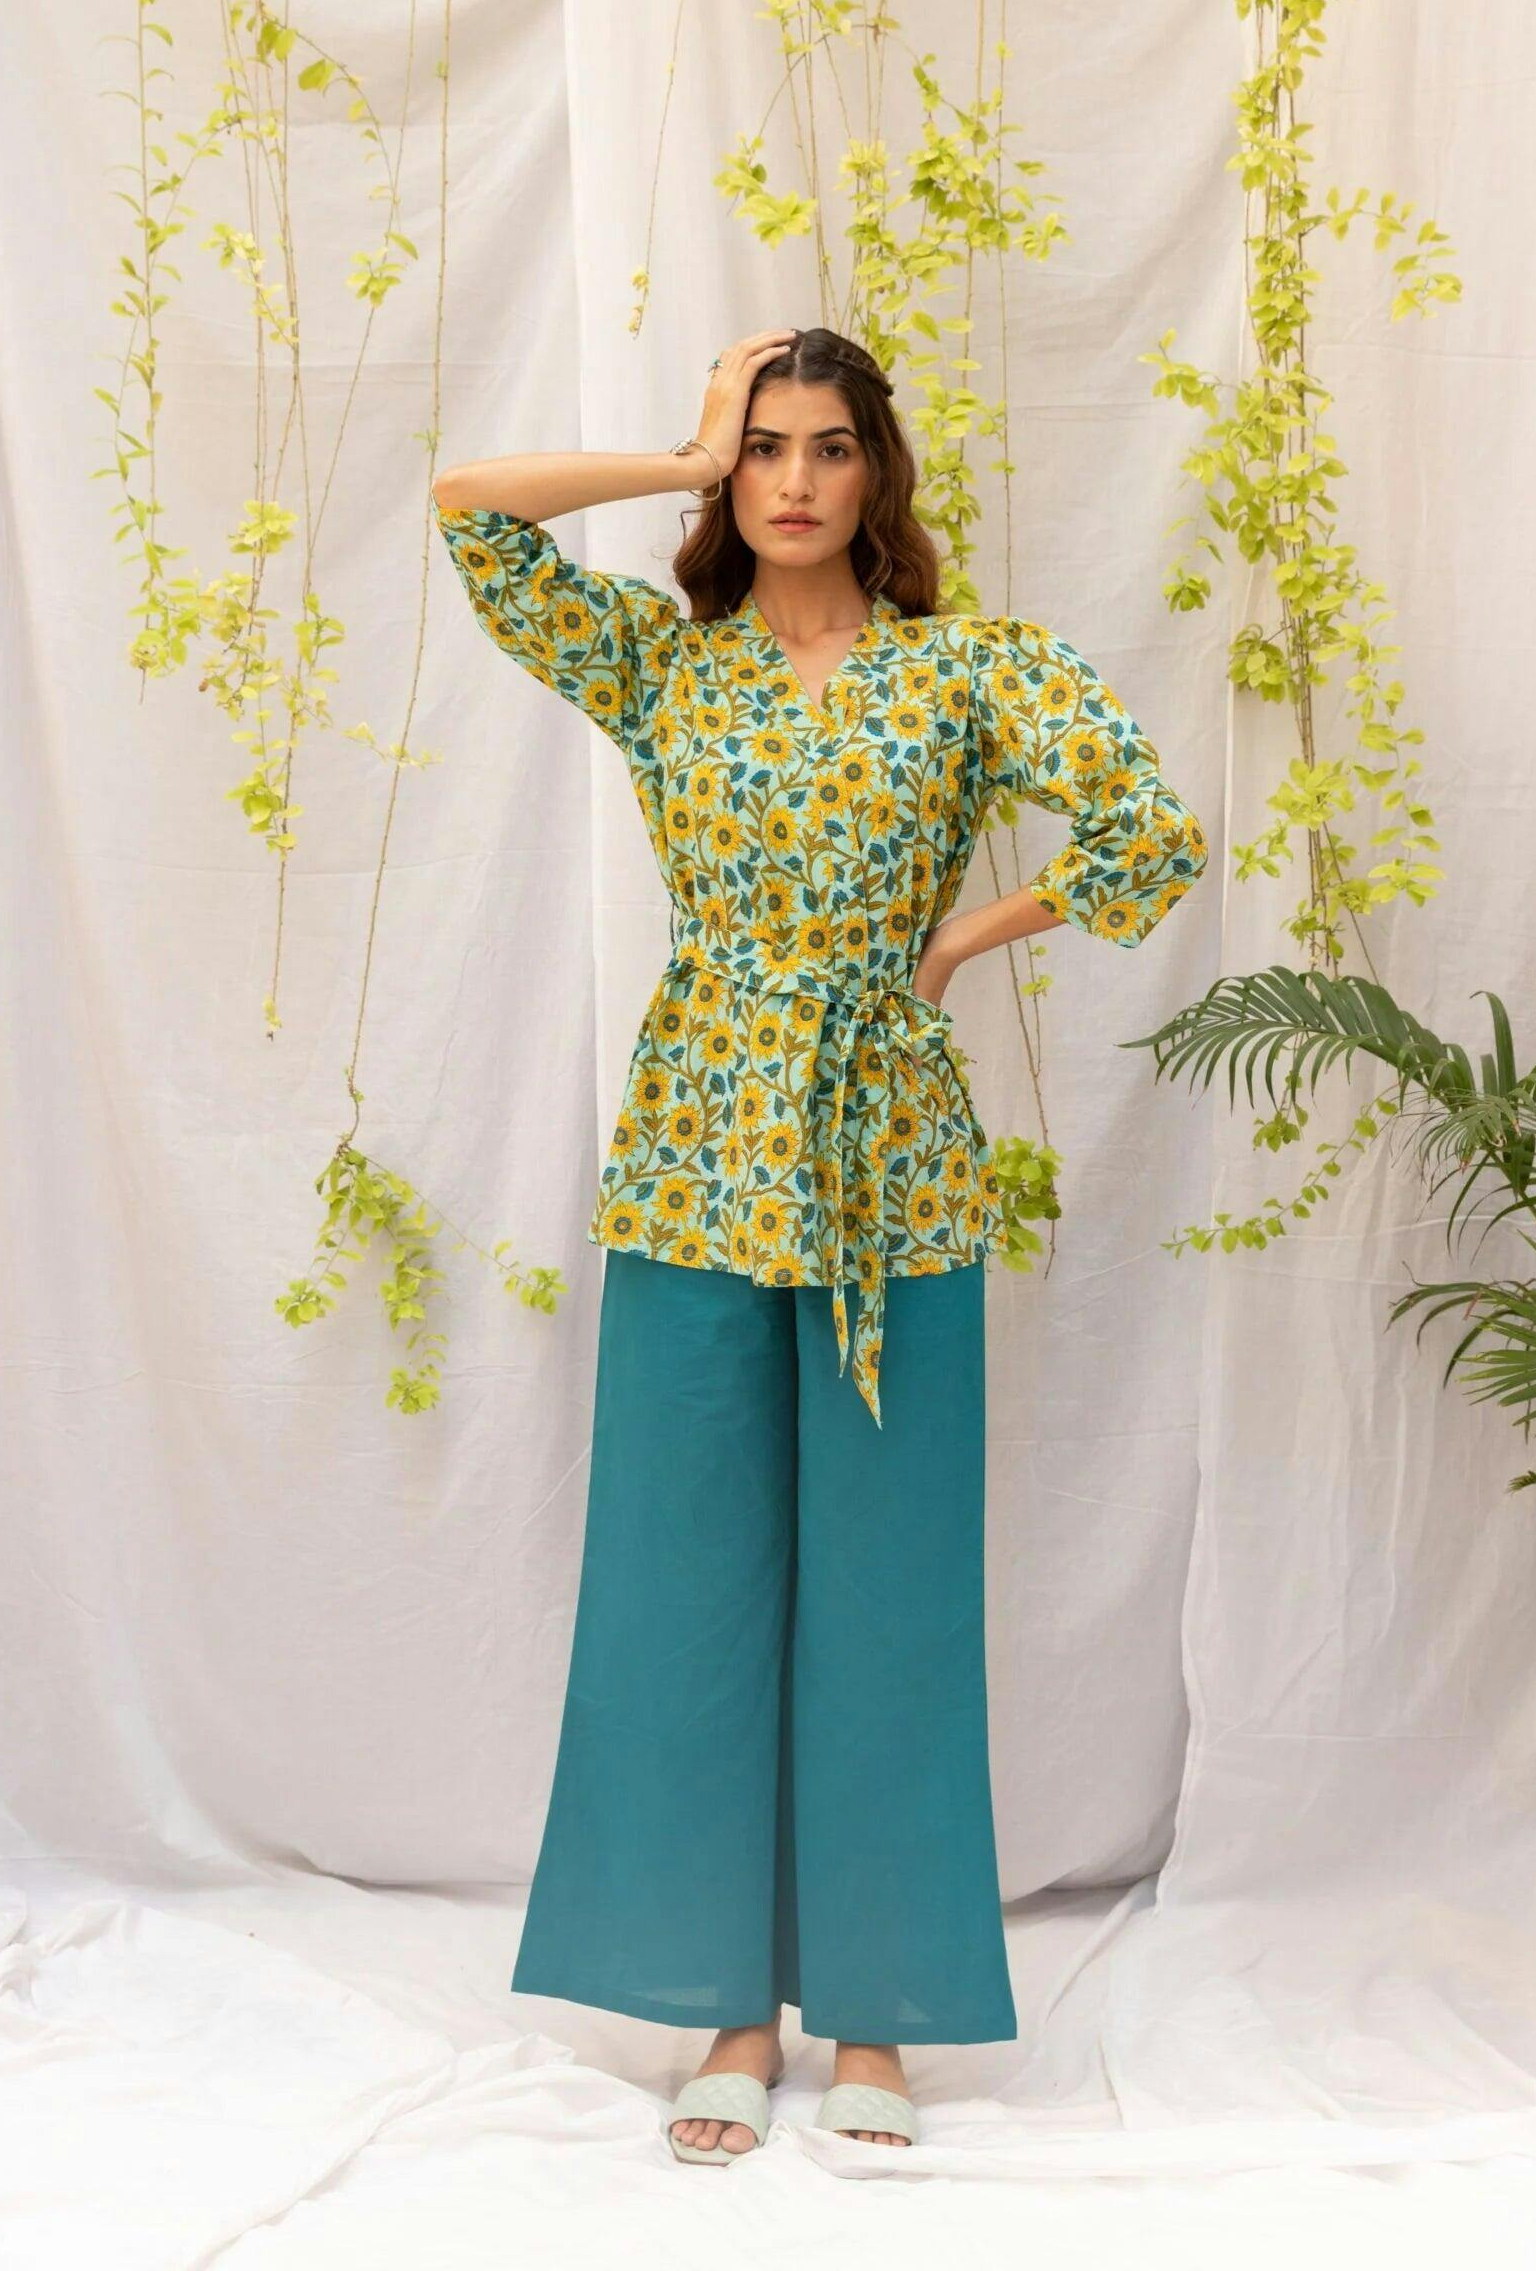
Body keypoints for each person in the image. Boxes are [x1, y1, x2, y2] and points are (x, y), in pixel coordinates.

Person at [430, 325, 1208, 2165]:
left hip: (894, 1174)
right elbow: (468, 512)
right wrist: (678, 454)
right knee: (690, 1591)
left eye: (827, 447)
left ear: (879, 474)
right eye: (766, 448)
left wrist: (958, 942)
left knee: (888, 1598)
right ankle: (725, 2009)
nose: (791, 480)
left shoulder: (970, 670)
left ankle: (872, 2022)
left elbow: (1150, 832)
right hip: (698, 1160)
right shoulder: (662, 666)